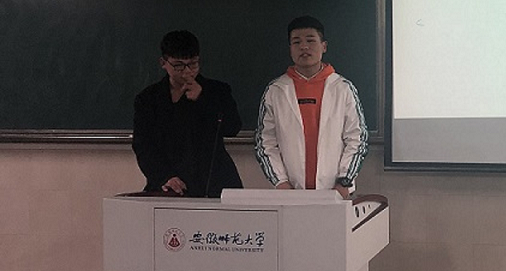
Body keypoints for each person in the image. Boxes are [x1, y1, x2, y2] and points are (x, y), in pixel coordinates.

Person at [255, 16, 368, 198]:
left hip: (336, 193)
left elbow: (357, 138)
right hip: (290, 195)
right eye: (296, 42)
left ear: (324, 46)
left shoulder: (343, 88)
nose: (304, 47)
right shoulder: (276, 90)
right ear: (290, 49)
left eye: (310, 40)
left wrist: (344, 181)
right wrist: (281, 182)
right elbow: (265, 142)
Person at [133, 30, 243, 197]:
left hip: (213, 183)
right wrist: (165, 176)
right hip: (169, 185)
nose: (187, 71)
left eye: (193, 64)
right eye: (178, 65)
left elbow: (232, 127)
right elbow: (143, 145)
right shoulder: (148, 99)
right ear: (163, 63)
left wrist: (203, 98)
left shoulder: (217, 91)